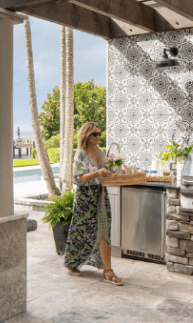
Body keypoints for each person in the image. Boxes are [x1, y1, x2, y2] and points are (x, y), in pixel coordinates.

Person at [63, 122, 123, 286]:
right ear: (86, 136)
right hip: (85, 197)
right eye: (94, 134)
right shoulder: (80, 154)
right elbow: (80, 178)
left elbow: (105, 172)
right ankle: (72, 263)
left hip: (100, 195)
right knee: (81, 231)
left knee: (104, 229)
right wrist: (98, 172)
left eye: (99, 133)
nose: (98, 137)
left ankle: (107, 270)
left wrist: (114, 173)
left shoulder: (101, 152)